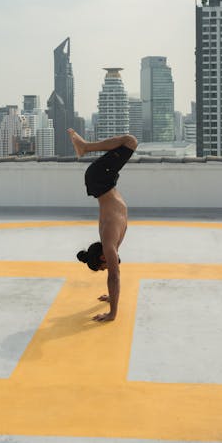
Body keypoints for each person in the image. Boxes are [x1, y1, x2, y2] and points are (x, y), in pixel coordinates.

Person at [67, 128, 138, 322]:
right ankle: (84, 146)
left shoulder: (109, 244)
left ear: (102, 256)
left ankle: (84, 146)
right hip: (103, 182)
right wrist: (111, 297)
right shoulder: (111, 242)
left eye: (102, 267)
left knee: (130, 140)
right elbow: (114, 277)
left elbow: (114, 277)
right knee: (129, 141)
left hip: (100, 179)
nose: (107, 268)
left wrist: (112, 313)